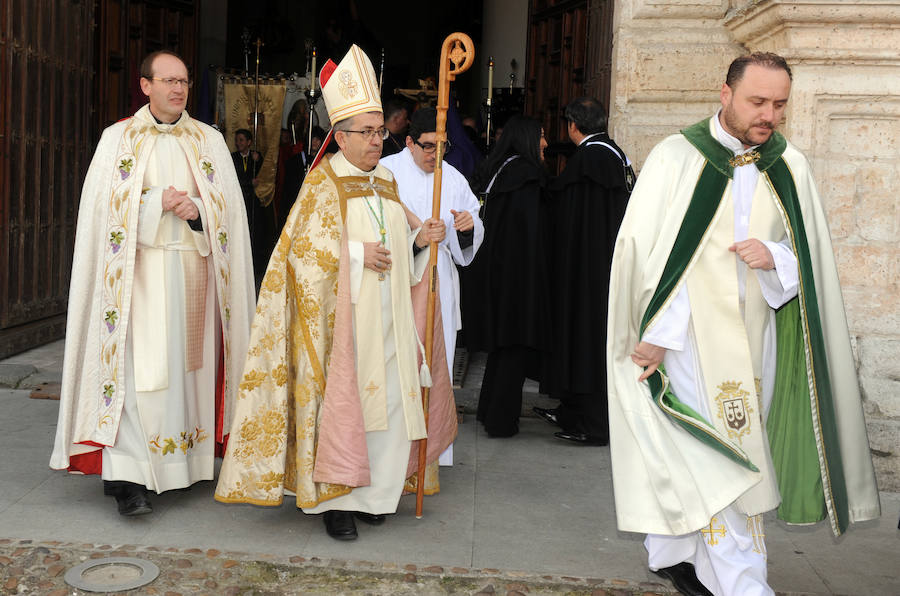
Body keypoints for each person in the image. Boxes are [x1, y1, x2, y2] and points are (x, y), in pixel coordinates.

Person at [607, 52, 880, 595]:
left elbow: (813, 260)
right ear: (725, 93)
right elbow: (650, 255)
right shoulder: (675, 157)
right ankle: (743, 584)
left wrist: (775, 259)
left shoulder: (789, 164)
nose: (769, 115)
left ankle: (673, 553)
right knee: (727, 455)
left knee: (715, 451)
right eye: (758, 101)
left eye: (779, 105)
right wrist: (654, 335)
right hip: (686, 341)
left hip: (757, 338)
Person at [214, 45, 458, 541]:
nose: (376, 141)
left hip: (389, 319)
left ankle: (377, 495)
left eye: (378, 131)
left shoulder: (388, 180)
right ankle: (338, 503)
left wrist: (420, 239)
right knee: (349, 409)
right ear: (340, 138)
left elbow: (402, 244)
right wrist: (354, 255)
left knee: (389, 405)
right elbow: (298, 257)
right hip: (341, 326)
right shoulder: (322, 182)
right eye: (367, 133)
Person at [49, 50, 255, 516]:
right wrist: (155, 201)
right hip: (136, 283)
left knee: (188, 376)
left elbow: (233, 215)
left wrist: (198, 211)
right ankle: (127, 477)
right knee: (136, 377)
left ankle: (185, 464)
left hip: (194, 275)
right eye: (168, 81)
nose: (178, 89)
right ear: (146, 86)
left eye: (183, 81)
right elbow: (101, 213)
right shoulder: (117, 140)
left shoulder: (210, 141)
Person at [538, 97, 632, 446]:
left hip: (588, 272)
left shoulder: (591, 158)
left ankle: (594, 425)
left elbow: (564, 208)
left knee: (588, 342)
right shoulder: (614, 154)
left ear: (573, 126)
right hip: (606, 266)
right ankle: (572, 410)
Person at [380, 107, 484, 384]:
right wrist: (417, 237)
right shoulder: (386, 171)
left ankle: (433, 422)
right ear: (410, 143)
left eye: (442, 147)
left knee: (438, 354)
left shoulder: (452, 177)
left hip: (441, 279)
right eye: (427, 146)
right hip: (400, 275)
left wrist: (467, 226)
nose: (435, 155)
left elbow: (473, 217)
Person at [467, 115, 550, 437]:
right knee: (513, 346)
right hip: (518, 279)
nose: (545, 143)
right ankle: (502, 421)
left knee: (502, 350)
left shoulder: (501, 171)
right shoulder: (526, 178)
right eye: (541, 135)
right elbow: (529, 238)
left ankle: (490, 411)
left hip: (496, 274)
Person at [231, 128, 267, 280]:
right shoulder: (232, 157)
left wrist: (258, 161)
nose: (238, 143)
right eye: (237, 140)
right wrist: (248, 183)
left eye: (241, 140)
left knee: (254, 231)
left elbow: (264, 175)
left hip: (253, 202)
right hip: (238, 200)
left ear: (249, 142)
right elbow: (233, 179)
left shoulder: (256, 157)